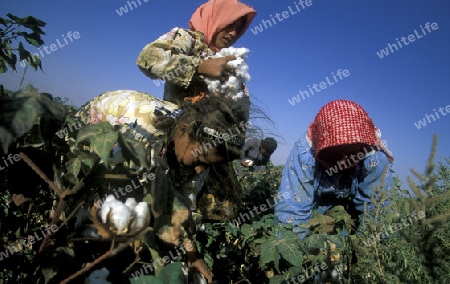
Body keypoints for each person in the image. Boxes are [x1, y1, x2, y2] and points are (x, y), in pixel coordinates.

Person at [70, 90, 247, 283]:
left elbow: (182, 202)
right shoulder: (141, 134)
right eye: (200, 161)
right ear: (182, 131)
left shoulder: (199, 149)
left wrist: (192, 254)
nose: (200, 170)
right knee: (92, 224)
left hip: (143, 156)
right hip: (86, 141)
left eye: (208, 165)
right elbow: (109, 186)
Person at [274, 100, 395, 239]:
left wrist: (365, 253)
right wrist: (295, 250)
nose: (343, 162)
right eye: (334, 154)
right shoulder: (305, 154)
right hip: (313, 208)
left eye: (350, 155)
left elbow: (378, 213)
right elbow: (292, 209)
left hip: (348, 215)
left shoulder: (373, 159)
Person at [136, 0, 257, 118]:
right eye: (230, 25)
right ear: (215, 19)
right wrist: (200, 67)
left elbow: (242, 111)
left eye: (238, 30)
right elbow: (147, 58)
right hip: (174, 123)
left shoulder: (231, 63)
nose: (233, 33)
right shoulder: (188, 39)